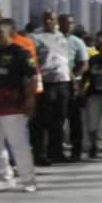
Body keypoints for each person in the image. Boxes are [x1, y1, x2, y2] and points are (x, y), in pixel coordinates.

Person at [0, 19, 38, 192]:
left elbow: (33, 78)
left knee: (17, 142)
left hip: (13, 105)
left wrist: (31, 100)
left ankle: (28, 180)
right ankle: (4, 177)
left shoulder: (21, 53)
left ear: (10, 33)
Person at [30, 10, 76, 165]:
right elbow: (33, 60)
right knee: (41, 120)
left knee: (59, 120)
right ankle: (39, 153)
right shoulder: (36, 37)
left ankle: (56, 151)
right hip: (46, 82)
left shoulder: (62, 37)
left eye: (52, 19)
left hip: (62, 82)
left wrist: (73, 82)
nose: (49, 21)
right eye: (46, 19)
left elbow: (66, 62)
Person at [60, 14, 88, 161]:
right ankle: (56, 150)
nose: (67, 26)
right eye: (64, 23)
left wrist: (73, 78)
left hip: (73, 83)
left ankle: (76, 151)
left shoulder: (77, 42)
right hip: (57, 82)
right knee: (57, 119)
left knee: (74, 119)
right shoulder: (53, 40)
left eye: (70, 23)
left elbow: (84, 64)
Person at [84, 33, 102, 157]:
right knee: (93, 123)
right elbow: (86, 76)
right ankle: (93, 146)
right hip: (94, 95)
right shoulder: (93, 60)